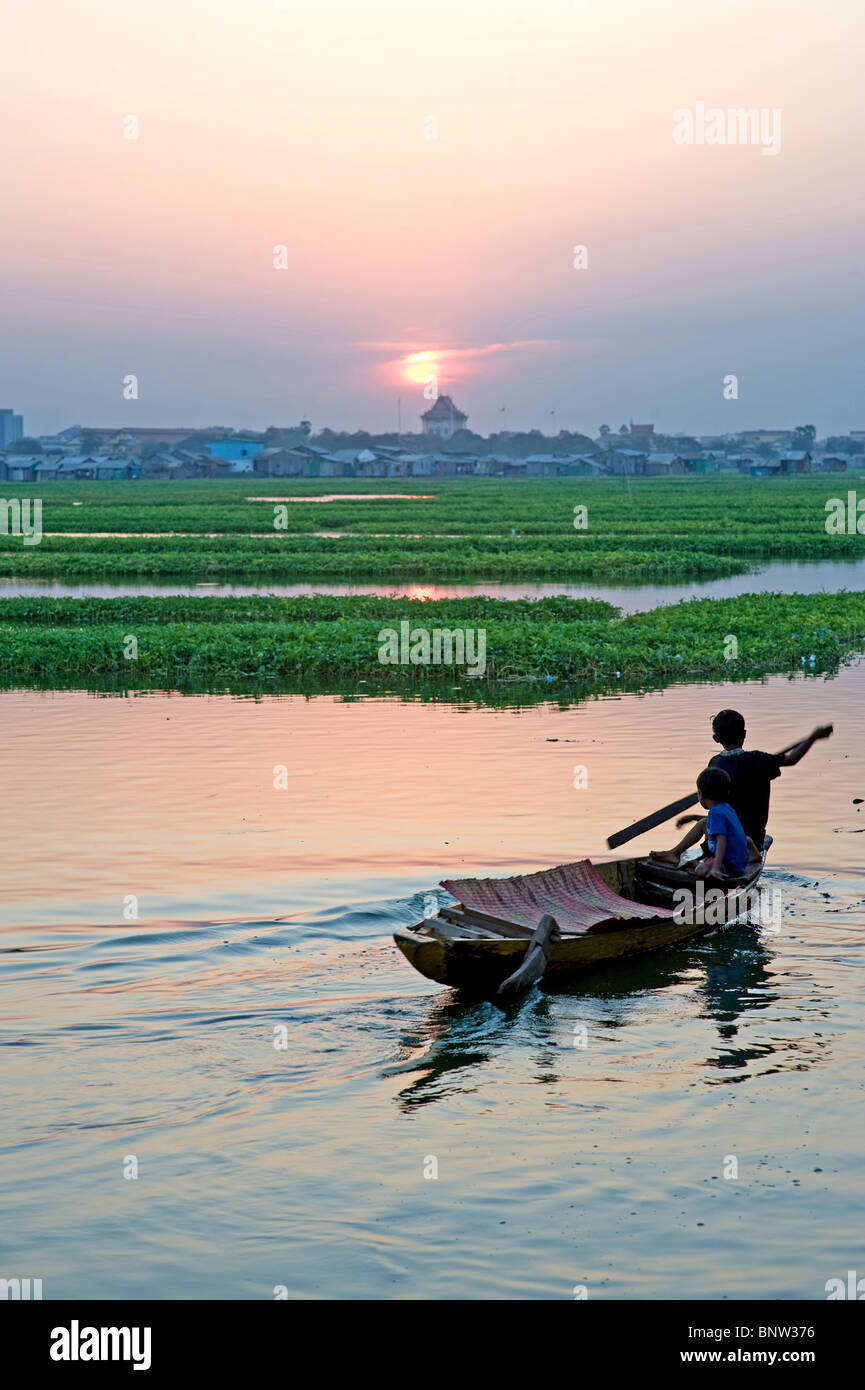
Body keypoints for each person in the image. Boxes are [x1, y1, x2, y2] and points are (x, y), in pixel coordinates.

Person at [651, 710, 833, 866]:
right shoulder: (757, 760)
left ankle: (675, 853)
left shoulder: (715, 764)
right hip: (752, 839)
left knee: (703, 823)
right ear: (744, 734)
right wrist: (813, 737)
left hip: (731, 836)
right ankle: (681, 854)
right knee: (703, 823)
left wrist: (696, 816)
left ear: (716, 739)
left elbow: (721, 812)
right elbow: (792, 759)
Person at [685, 766, 750, 879]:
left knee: (700, 870)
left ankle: (696, 863)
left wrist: (716, 867)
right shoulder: (727, 808)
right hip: (740, 862)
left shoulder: (715, 812)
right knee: (705, 824)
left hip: (729, 865)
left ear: (700, 794)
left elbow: (721, 840)